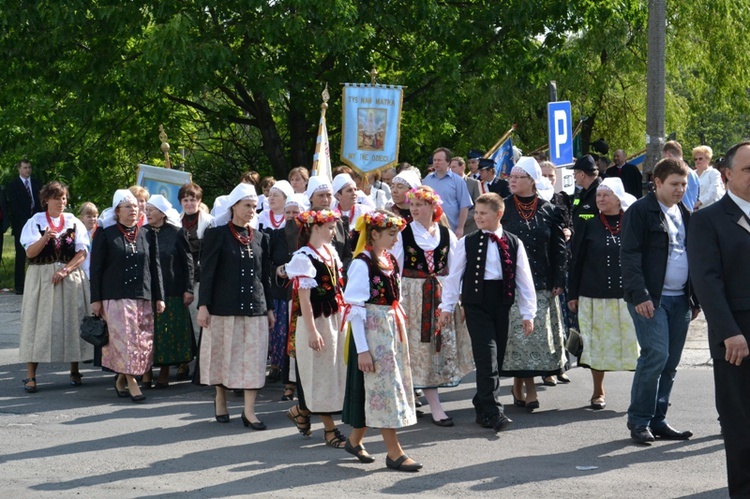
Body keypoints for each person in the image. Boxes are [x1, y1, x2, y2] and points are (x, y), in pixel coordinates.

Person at [439, 193, 536, 431]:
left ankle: (481, 406)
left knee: (497, 357)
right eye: (476, 213)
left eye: (483, 213)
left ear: (498, 214)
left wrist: (527, 313)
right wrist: (447, 306)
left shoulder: (514, 242)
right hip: (476, 305)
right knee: (487, 357)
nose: (478, 217)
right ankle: (494, 413)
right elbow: (454, 277)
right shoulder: (467, 242)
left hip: (501, 303)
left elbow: (524, 279)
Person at [621, 158, 700, 444]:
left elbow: (695, 258)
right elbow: (629, 255)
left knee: (670, 363)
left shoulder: (685, 213)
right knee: (655, 355)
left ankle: (658, 419)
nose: (680, 190)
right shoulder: (640, 212)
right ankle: (639, 420)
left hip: (680, 300)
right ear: (657, 183)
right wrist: (640, 294)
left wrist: (696, 301)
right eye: (675, 184)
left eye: (684, 184)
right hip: (650, 299)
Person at [687, 141, 750, 497]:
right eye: (748, 169)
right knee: (741, 424)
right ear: (726, 175)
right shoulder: (708, 220)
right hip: (737, 339)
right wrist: (729, 332)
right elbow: (706, 281)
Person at [342, 210, 422, 471]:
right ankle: (394, 452)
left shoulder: (388, 259)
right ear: (373, 234)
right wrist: (362, 351)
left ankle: (354, 440)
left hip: (389, 333)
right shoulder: (361, 264)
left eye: (396, 234)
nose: (396, 239)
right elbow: (354, 310)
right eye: (391, 234)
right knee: (384, 390)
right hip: (372, 335)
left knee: (378, 389)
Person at [391, 186, 474, 426]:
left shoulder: (446, 235)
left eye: (420, 204)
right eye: (413, 204)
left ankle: (428, 400)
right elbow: (395, 270)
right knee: (414, 350)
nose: (414, 209)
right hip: (412, 298)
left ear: (432, 207)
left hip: (439, 296)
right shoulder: (403, 233)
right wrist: (397, 302)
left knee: (435, 350)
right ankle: (430, 404)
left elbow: (456, 270)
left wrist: (457, 299)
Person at [197, 183, 273, 429]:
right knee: (222, 355)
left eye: (254, 206)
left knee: (253, 360)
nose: (252, 210)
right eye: (246, 205)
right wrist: (203, 305)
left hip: (255, 307)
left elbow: (265, 276)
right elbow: (207, 273)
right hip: (223, 307)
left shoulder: (260, 237)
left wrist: (269, 308)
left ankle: (249, 411)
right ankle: (221, 396)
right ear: (234, 207)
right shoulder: (216, 235)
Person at [500, 157, 567, 411]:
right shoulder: (503, 207)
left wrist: (559, 278)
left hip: (541, 281)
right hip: (511, 283)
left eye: (518, 177)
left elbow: (558, 248)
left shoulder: (549, 209)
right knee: (519, 339)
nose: (513, 181)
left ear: (532, 181)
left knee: (534, 339)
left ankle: (520, 383)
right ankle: (528, 388)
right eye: (511, 177)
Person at [568, 178, 638, 410]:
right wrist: (573, 293)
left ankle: (640, 395)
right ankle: (598, 391)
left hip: (626, 296)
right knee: (595, 344)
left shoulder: (631, 222)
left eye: (606, 195)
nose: (600, 199)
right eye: (598, 195)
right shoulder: (588, 224)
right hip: (593, 294)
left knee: (634, 346)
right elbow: (576, 260)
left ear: (618, 198)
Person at [90, 189, 165, 403]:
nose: (134, 210)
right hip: (115, 295)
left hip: (142, 294)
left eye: (135, 206)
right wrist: (95, 299)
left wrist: (159, 296)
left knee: (142, 341)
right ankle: (133, 382)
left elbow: (154, 266)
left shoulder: (146, 233)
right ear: (117, 211)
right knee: (125, 340)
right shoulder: (106, 234)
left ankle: (121, 379)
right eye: (128, 207)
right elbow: (96, 269)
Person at [19, 181, 92, 392]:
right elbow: (30, 253)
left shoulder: (73, 222)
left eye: (64, 198)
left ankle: (75, 369)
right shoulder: (35, 222)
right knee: (38, 322)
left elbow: (82, 252)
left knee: (73, 319)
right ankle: (31, 375)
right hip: (41, 278)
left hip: (68, 277)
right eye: (57, 198)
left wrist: (66, 270)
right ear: (46, 200)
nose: (62, 202)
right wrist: (44, 238)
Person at [284, 209, 348, 447]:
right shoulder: (303, 257)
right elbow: (305, 300)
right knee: (320, 374)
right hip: (316, 321)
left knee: (332, 372)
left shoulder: (330, 252)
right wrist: (311, 330)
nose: (334, 232)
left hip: (334, 318)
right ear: (315, 228)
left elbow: (338, 288)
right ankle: (330, 431)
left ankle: (301, 410)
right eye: (330, 228)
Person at [144, 195, 194, 388]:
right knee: (148, 333)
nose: (147, 213)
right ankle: (147, 372)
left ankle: (165, 371)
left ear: (162, 213)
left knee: (168, 333)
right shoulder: (142, 232)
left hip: (173, 289)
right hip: (149, 291)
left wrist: (189, 289)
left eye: (151, 209)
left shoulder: (176, 233)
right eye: (146, 209)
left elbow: (188, 262)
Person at [269, 194, 310, 400]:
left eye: (296, 212)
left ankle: (302, 384)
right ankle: (288, 383)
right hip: (283, 293)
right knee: (286, 339)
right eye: (288, 212)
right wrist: (278, 270)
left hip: (305, 294)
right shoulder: (275, 235)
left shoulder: (309, 236)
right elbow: (267, 262)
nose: (292, 216)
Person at [178, 182, 214, 380]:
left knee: (199, 321)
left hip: (200, 278)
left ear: (199, 201)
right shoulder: (175, 221)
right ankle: (183, 361)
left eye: (193, 199)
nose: (189, 203)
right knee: (182, 322)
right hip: (179, 278)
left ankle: (202, 365)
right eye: (186, 199)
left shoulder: (209, 222)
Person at [6, 159, 43, 294]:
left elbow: (41, 203)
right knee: (21, 255)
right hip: (21, 224)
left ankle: (38, 284)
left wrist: (37, 220)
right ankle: (19, 286)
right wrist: (27, 221)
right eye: (25, 168)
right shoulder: (13, 186)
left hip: (37, 222)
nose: (28, 170)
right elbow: (14, 207)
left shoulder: (37, 184)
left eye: (29, 167)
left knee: (39, 253)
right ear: (19, 169)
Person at [422, 147, 473, 238]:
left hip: (451, 228)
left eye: (439, 160)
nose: (436, 162)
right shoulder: (427, 180)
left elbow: (464, 206)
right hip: (428, 229)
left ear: (448, 162)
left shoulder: (458, 181)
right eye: (435, 160)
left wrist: (460, 227)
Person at [567, 155, 602, 234]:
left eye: (574, 174)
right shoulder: (583, 193)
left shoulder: (601, 193)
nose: (574, 177)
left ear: (582, 174)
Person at [662, 140, 700, 211]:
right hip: (691, 212)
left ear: (668, 154)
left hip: (679, 213)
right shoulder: (694, 174)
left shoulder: (673, 173)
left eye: (664, 158)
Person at [450, 156, 481, 235]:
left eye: (453, 167)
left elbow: (479, 206)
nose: (451, 170)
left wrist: (462, 220)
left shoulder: (474, 183)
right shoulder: (447, 184)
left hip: (469, 227)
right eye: (449, 167)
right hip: (450, 226)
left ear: (462, 167)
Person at [692, 145, 725, 210]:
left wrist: (699, 202)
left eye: (700, 158)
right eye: (695, 159)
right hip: (694, 211)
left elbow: (714, 191)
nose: (697, 161)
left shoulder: (714, 173)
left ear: (708, 159)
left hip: (712, 210)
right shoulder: (691, 174)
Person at [78, 202, 98, 279]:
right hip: (82, 270)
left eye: (94, 216)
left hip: (95, 271)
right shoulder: (78, 233)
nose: (92, 219)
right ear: (82, 218)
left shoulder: (99, 233)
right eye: (89, 216)